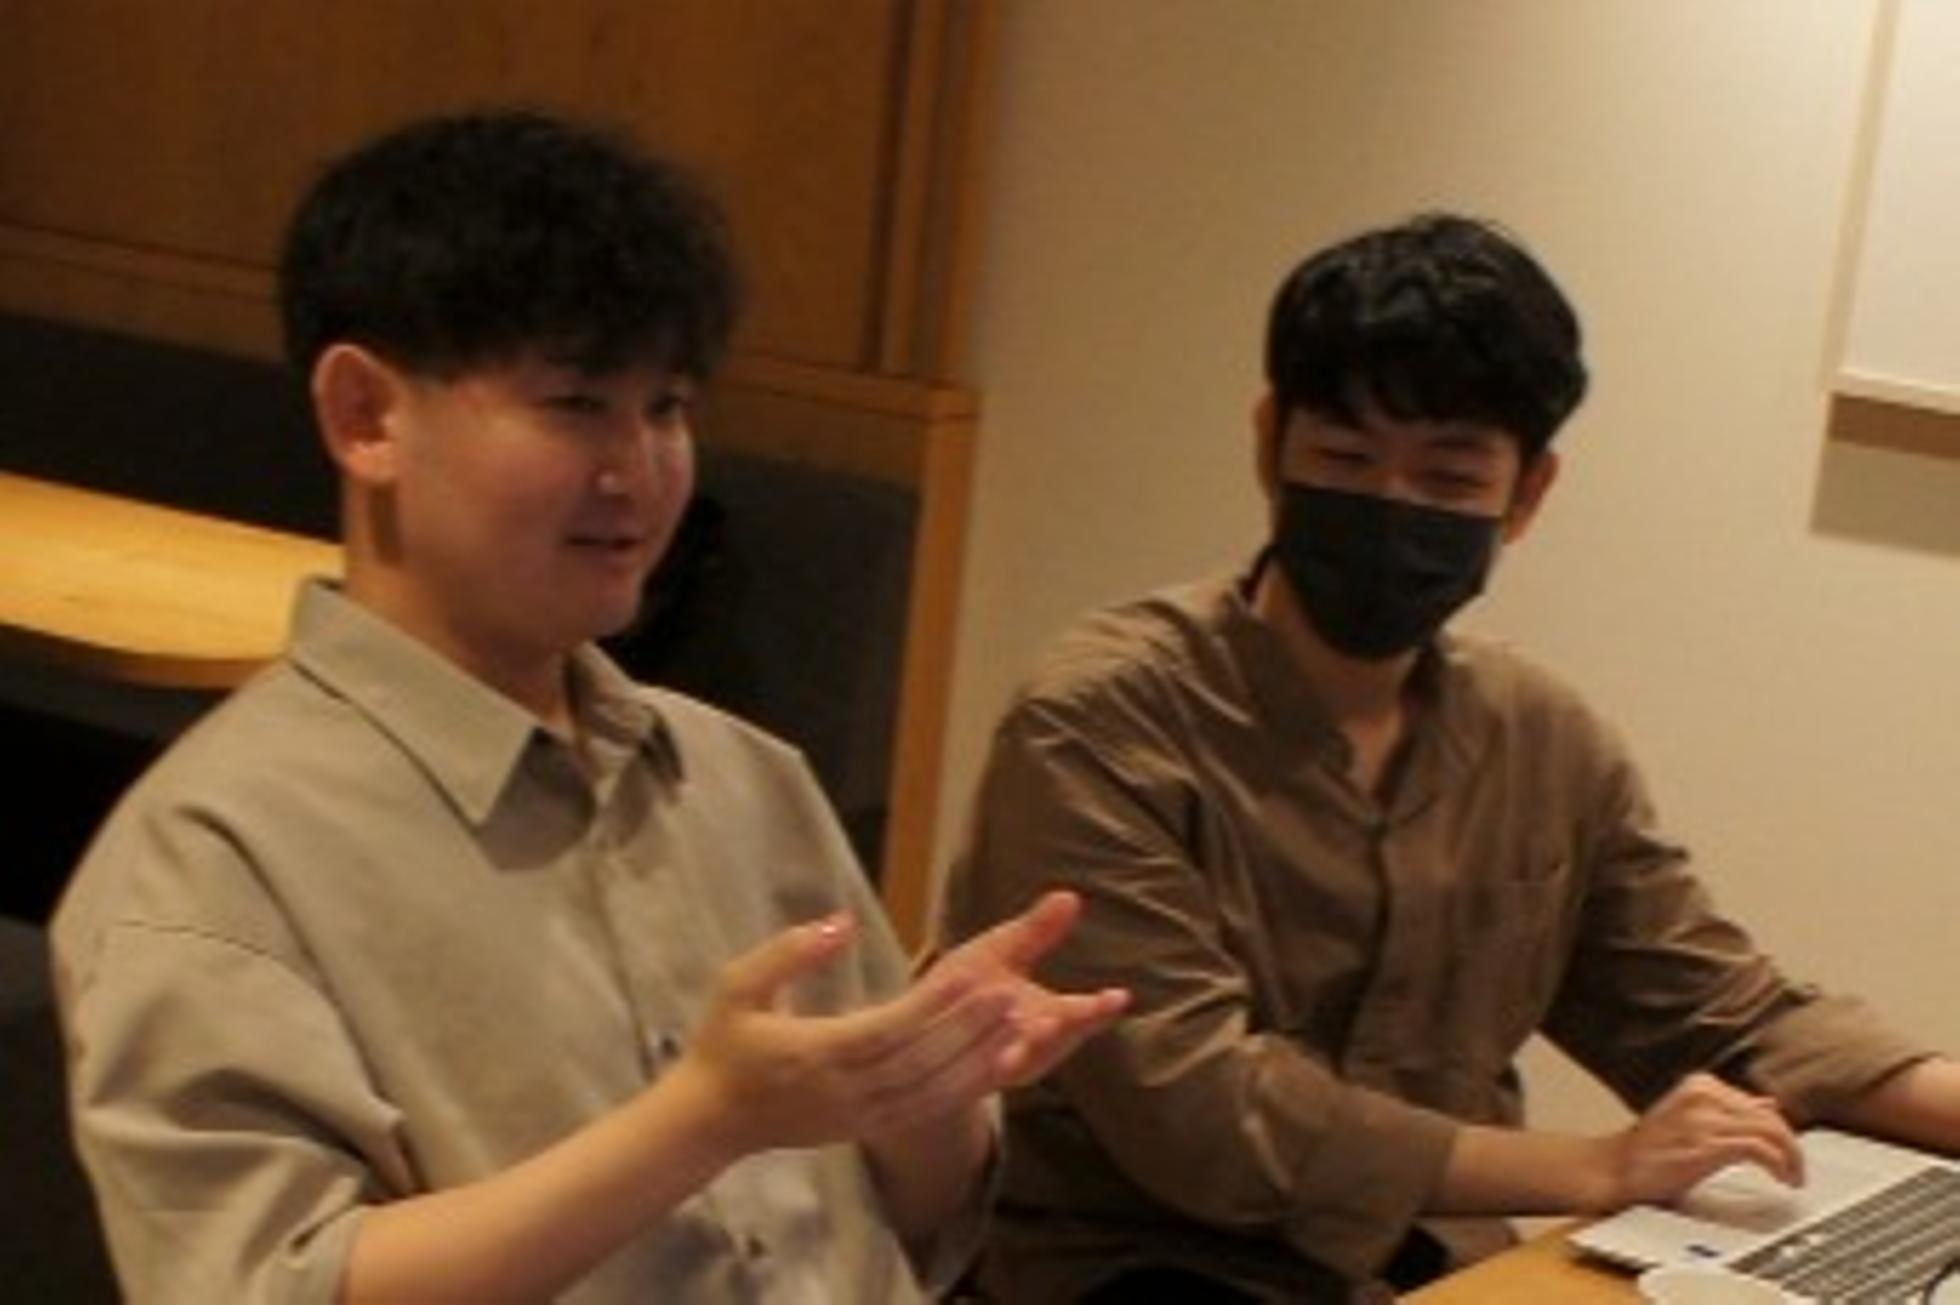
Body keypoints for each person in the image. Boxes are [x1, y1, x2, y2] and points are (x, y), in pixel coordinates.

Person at [51, 108, 1127, 1304]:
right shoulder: (211, 852)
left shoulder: (741, 777)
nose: (640, 470)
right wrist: (700, 1123)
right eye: (576, 403)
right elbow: (267, 1285)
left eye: (666, 407)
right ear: (365, 416)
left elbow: (923, 1226)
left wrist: (928, 1079)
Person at [937, 212, 1960, 1302]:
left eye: (1449, 478)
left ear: (1528, 495)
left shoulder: (1541, 739)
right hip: (1128, 1269)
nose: (1392, 508)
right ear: (1268, 442)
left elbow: (1718, 1010)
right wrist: (1594, 1167)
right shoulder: (1099, 720)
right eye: (1345, 459)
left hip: (1430, 1263)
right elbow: (1199, 1114)